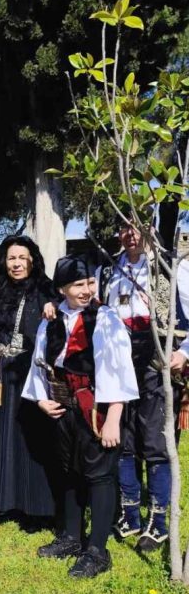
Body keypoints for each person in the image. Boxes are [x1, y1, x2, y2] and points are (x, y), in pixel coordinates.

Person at [23, 255, 138, 578]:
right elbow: (39, 361)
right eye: (78, 285)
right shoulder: (52, 318)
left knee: (99, 475)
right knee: (68, 471)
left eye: (89, 282)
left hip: (96, 408)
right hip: (62, 407)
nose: (86, 290)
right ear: (62, 289)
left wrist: (114, 415)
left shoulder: (105, 318)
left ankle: (97, 551)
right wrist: (41, 400)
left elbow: (119, 368)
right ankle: (72, 537)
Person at [97, 221, 189, 552]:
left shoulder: (172, 267)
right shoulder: (108, 269)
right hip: (118, 361)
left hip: (157, 360)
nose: (130, 234)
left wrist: (184, 352)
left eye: (137, 227)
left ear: (151, 230)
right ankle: (130, 514)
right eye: (123, 228)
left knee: (155, 443)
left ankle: (159, 520)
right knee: (123, 440)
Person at [0, 235, 58, 522]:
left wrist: (52, 306)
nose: (16, 264)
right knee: (3, 438)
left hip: (29, 373)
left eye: (21, 258)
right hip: (0, 373)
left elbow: (57, 316)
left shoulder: (45, 288)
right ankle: (2, 501)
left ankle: (34, 507)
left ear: (32, 260)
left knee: (29, 440)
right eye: (11, 258)